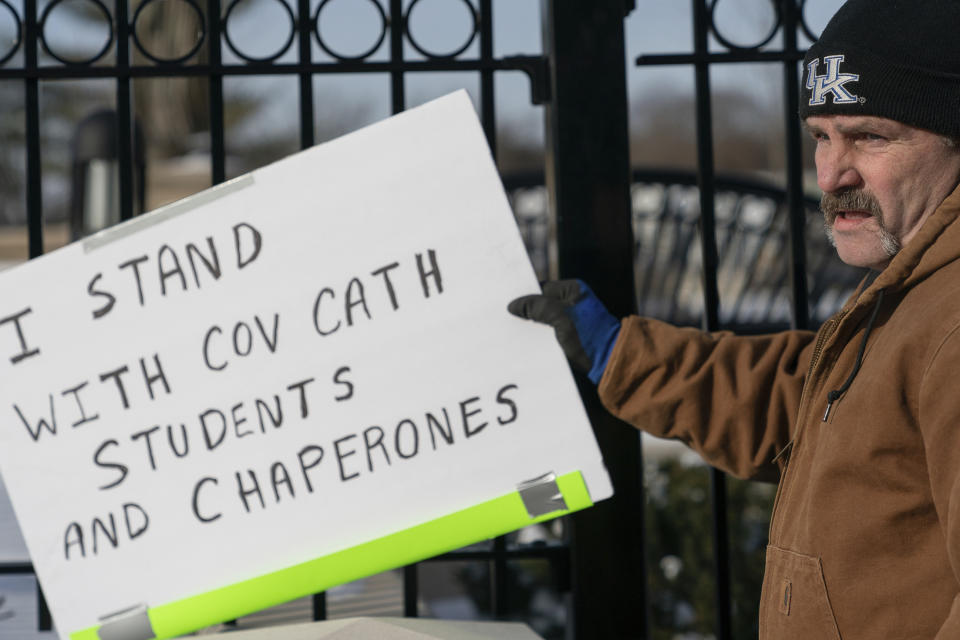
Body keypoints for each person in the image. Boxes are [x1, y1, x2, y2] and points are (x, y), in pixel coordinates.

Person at [509, 1, 960, 638]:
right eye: (821, 137)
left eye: (871, 136)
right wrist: (623, 356)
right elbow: (803, 401)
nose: (832, 175)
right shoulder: (917, 291)